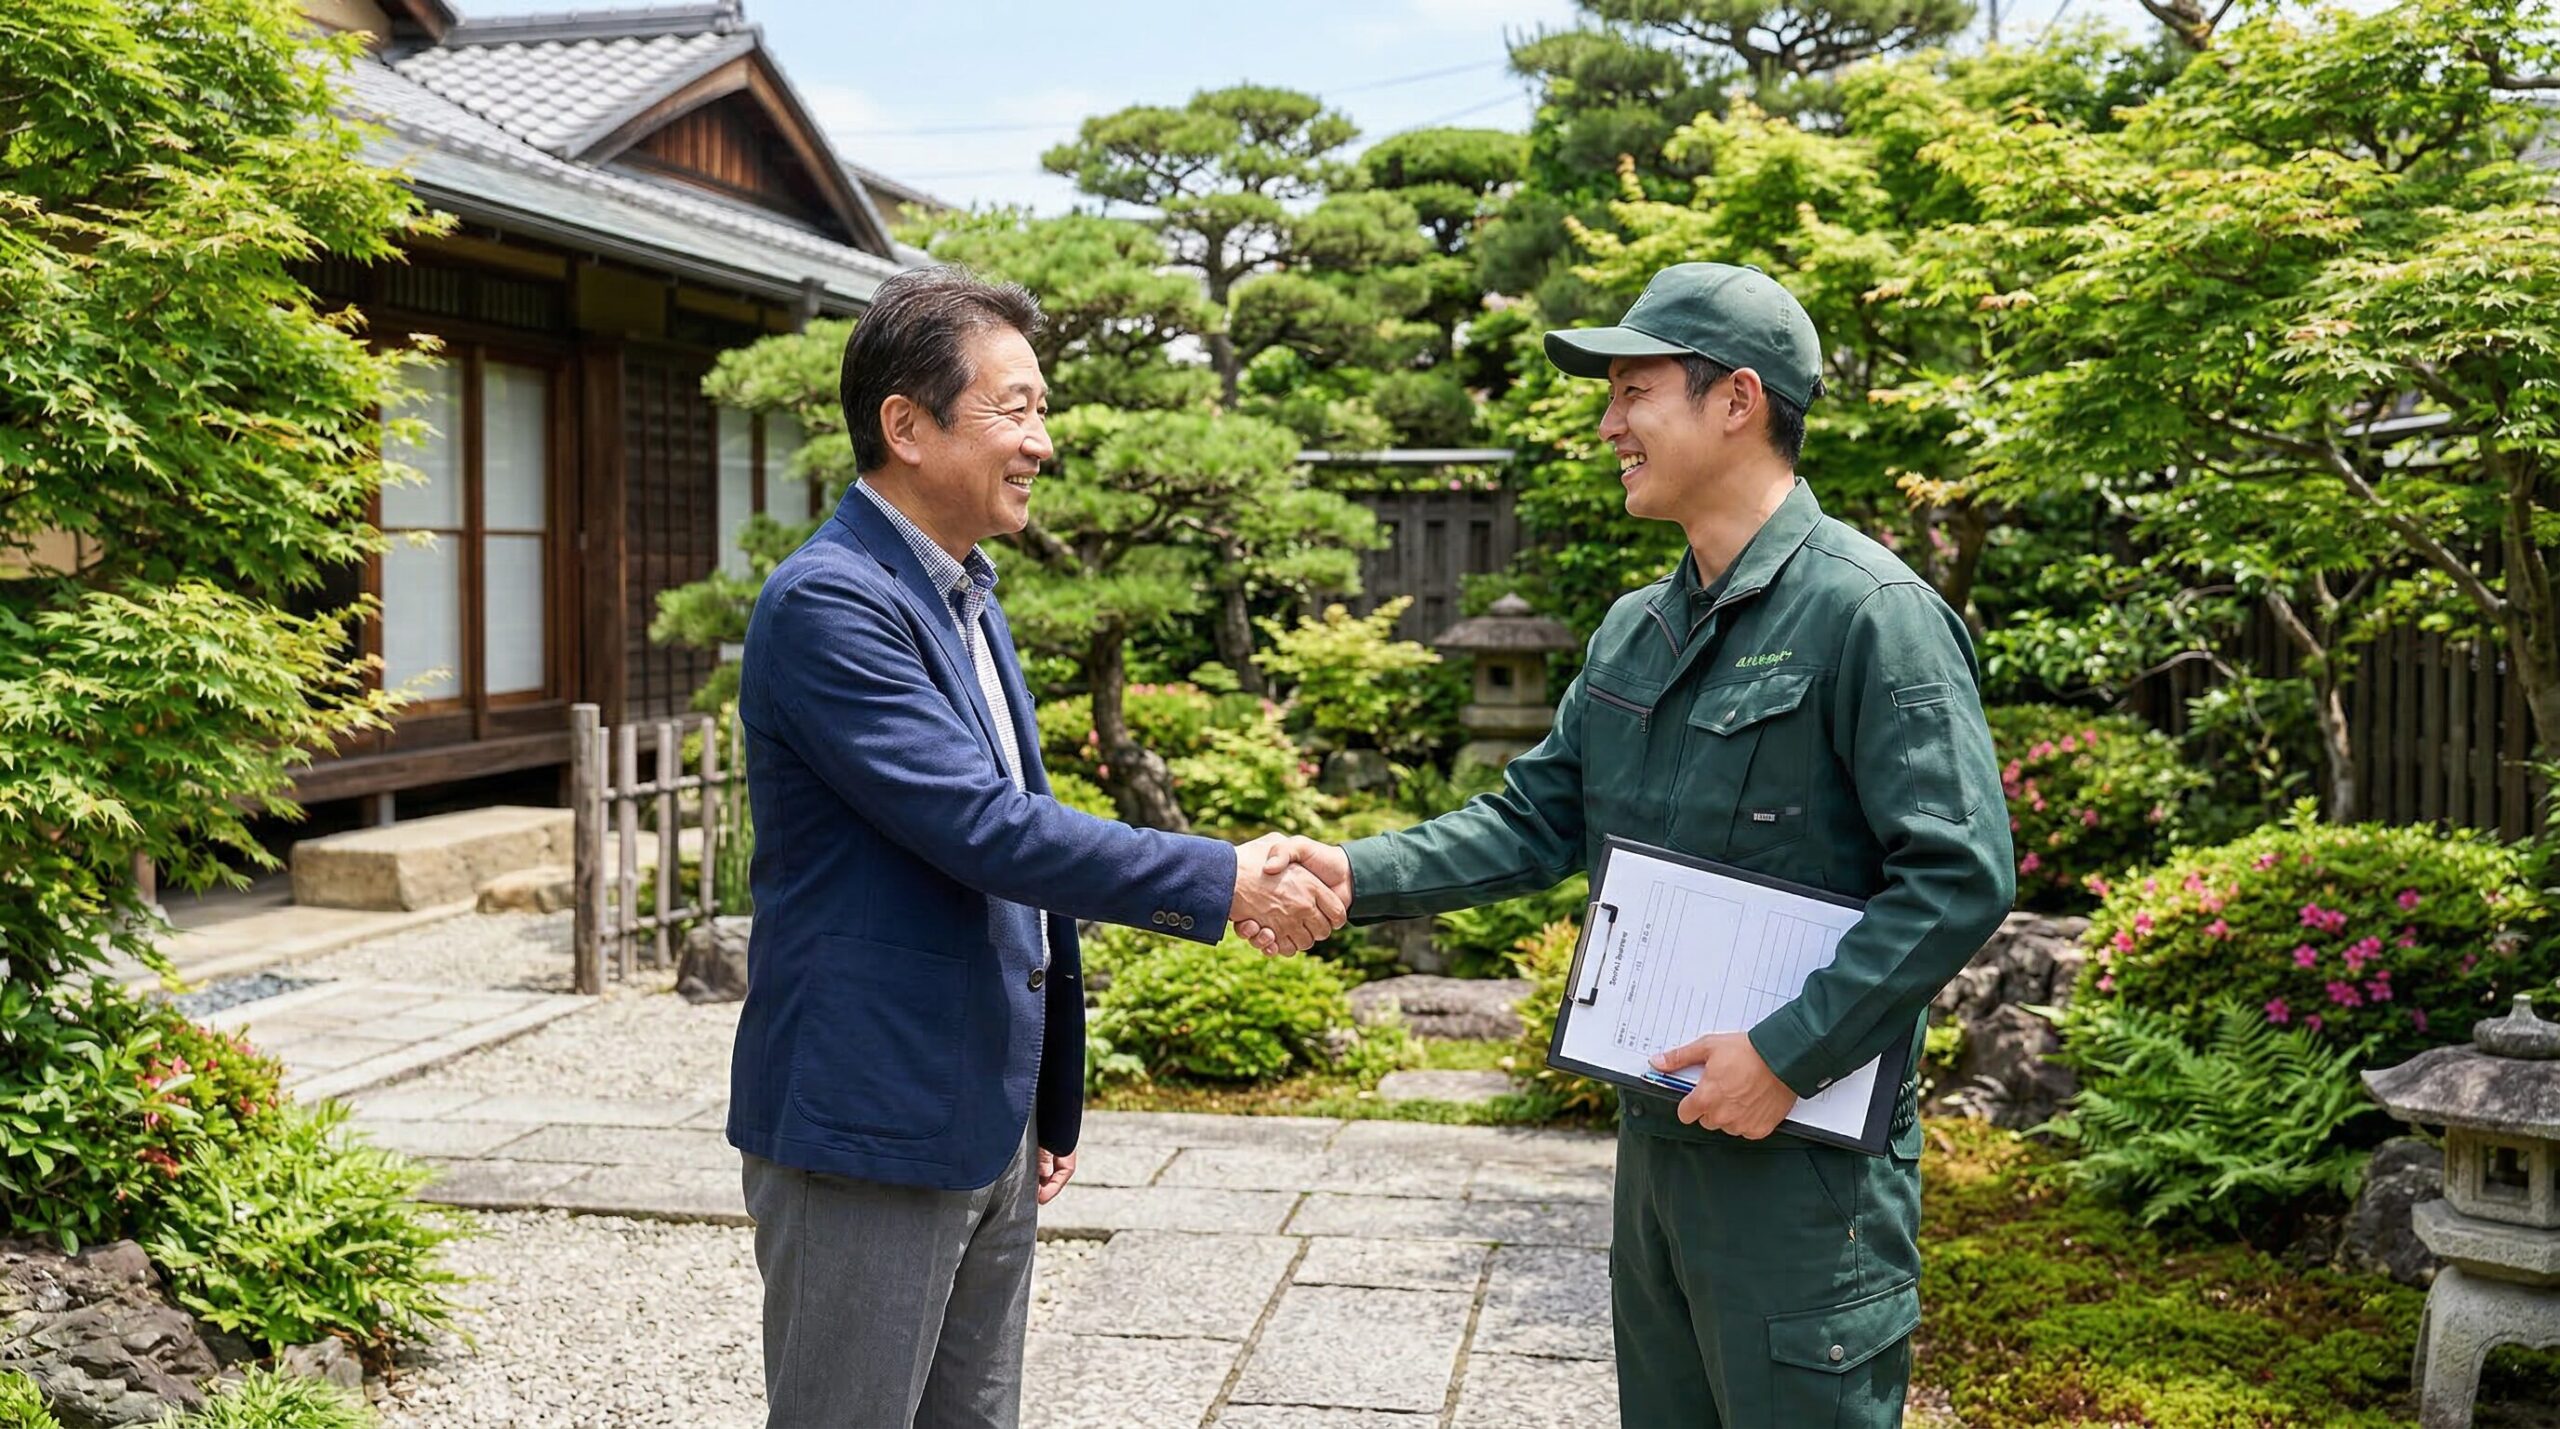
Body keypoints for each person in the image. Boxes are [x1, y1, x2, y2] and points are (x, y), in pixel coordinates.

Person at [1248, 262, 2014, 1427]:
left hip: (1804, 1165)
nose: (1608, 424)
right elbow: (1538, 817)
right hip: (1660, 1132)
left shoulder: (1871, 612)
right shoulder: (1636, 629)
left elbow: (1958, 875)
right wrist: (1355, 873)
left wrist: (1787, 1050)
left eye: (1633, 391)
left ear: (1736, 401)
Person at [728, 265, 1345, 1429]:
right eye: (1014, 408)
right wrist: (1221, 877)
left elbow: (1011, 840)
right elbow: (984, 829)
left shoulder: (965, 590)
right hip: (870, 1117)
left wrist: (1048, 1099)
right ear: (904, 427)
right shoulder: (832, 602)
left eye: (1042, 408)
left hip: (984, 1114)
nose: (1041, 442)